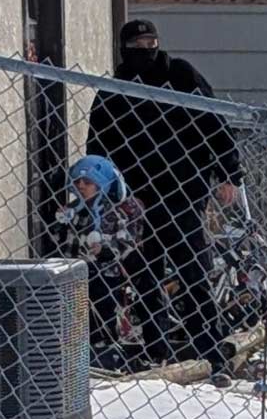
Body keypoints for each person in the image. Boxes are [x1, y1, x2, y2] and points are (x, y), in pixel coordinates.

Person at [86, 19, 243, 381]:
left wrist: (229, 172)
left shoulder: (181, 76)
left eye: (151, 41)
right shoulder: (115, 90)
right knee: (145, 277)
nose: (146, 49)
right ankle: (157, 352)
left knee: (193, 275)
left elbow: (213, 122)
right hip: (136, 199)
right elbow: (99, 146)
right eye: (137, 43)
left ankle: (209, 349)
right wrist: (102, 192)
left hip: (183, 193)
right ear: (125, 48)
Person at [51, 155, 147, 372]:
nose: (81, 186)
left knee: (103, 312)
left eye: (88, 182)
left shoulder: (116, 210)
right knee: (75, 313)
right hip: (75, 271)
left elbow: (127, 240)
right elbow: (63, 240)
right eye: (77, 182)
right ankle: (80, 354)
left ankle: (105, 352)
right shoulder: (75, 209)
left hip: (106, 272)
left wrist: (105, 249)